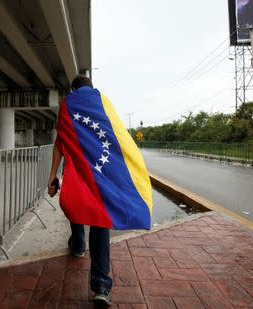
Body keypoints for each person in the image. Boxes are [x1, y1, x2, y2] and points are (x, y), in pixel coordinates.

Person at [48, 75, 152, 306]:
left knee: (76, 207)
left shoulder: (68, 104)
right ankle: (101, 285)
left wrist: (52, 174)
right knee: (100, 220)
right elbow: (118, 137)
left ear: (73, 88)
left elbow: (60, 142)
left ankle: (77, 245)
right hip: (102, 174)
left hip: (78, 173)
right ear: (92, 88)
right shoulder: (104, 103)